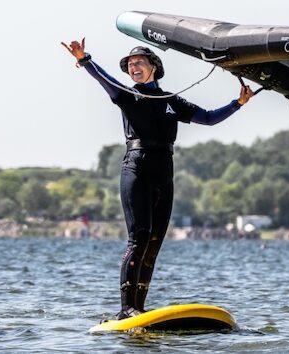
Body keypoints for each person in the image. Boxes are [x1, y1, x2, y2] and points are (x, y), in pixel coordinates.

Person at [62, 38, 256, 320]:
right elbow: (104, 79)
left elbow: (208, 118)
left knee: (154, 241)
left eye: (139, 62)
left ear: (154, 66)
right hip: (136, 168)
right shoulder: (127, 95)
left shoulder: (171, 101)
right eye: (130, 64)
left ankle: (138, 308)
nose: (133, 67)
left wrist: (238, 103)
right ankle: (126, 308)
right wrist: (85, 58)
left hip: (164, 170)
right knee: (138, 238)